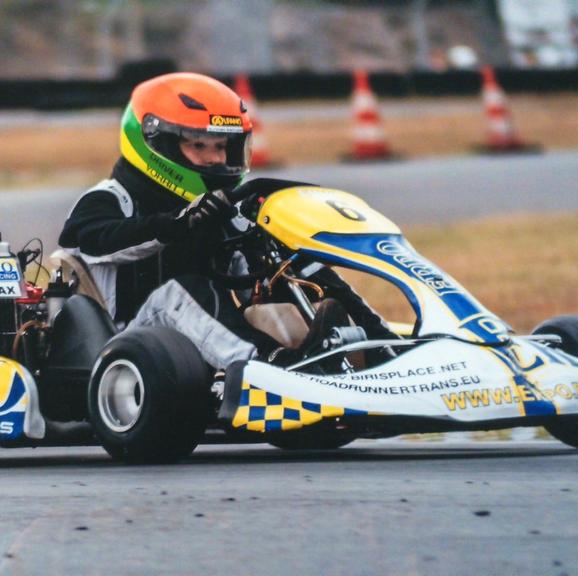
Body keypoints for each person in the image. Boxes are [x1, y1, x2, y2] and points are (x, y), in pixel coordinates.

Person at [58, 72, 397, 371]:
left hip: (195, 349)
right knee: (183, 291)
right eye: (199, 145)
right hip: (127, 345)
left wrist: (297, 275)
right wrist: (178, 223)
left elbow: (267, 272)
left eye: (222, 146)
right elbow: (92, 241)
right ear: (155, 143)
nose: (216, 158)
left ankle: (378, 346)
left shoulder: (217, 211)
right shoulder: (109, 198)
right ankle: (270, 368)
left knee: (286, 268)